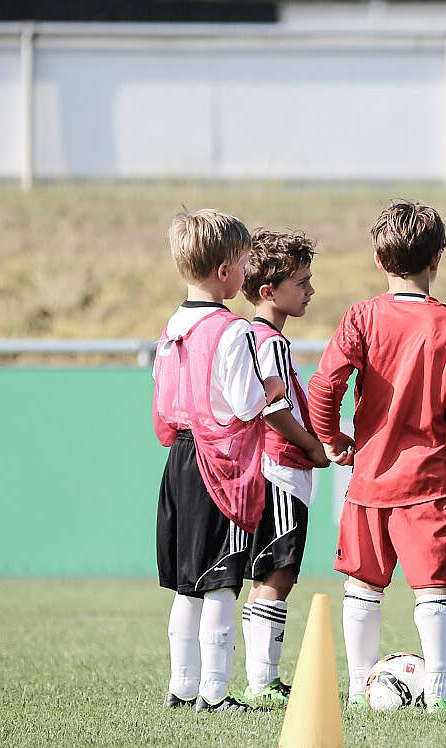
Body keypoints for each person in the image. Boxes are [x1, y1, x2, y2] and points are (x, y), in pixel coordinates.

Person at [305, 201, 446, 712]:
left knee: (363, 586)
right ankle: (442, 693)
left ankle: (361, 688)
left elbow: (324, 388)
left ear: (379, 260)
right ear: (439, 259)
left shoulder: (361, 317)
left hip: (369, 481)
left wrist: (333, 440)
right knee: (433, 591)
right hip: (431, 483)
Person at [152, 208, 286, 713]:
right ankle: (213, 692)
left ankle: (180, 687)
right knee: (222, 583)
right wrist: (271, 389)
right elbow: (247, 401)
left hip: (180, 458)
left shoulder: (172, 326)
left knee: (187, 585)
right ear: (226, 271)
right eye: (245, 261)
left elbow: (163, 400)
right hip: (221, 465)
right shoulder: (233, 331)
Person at [238, 228, 331, 705]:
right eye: (302, 282)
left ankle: (260, 679)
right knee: (279, 575)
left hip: (273, 472)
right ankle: (263, 682)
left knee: (267, 575)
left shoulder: (259, 337)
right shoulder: (269, 341)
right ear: (268, 291)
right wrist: (313, 446)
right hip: (280, 471)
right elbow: (273, 409)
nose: (311, 291)